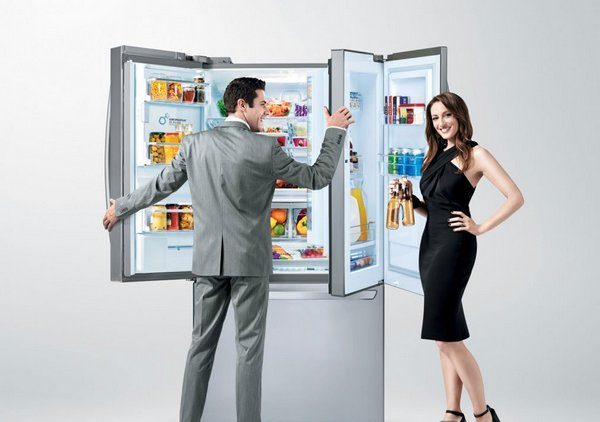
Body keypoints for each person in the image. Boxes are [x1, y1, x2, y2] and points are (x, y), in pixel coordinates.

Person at [102, 77, 354, 422]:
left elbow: (160, 187)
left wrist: (121, 207)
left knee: (199, 350)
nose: (265, 111)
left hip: (207, 263)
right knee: (249, 352)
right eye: (262, 104)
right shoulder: (266, 148)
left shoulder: (194, 144)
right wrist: (334, 131)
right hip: (251, 263)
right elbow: (317, 177)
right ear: (242, 105)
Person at [398, 92, 524, 422]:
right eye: (435, 118)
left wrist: (480, 227)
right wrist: (413, 202)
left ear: (459, 116)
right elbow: (436, 209)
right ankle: (452, 412)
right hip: (430, 246)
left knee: (444, 339)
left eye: (446, 116)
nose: (441, 123)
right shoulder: (435, 154)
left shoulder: (476, 154)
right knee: (447, 332)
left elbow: (515, 196)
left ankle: (482, 414)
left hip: (455, 248)